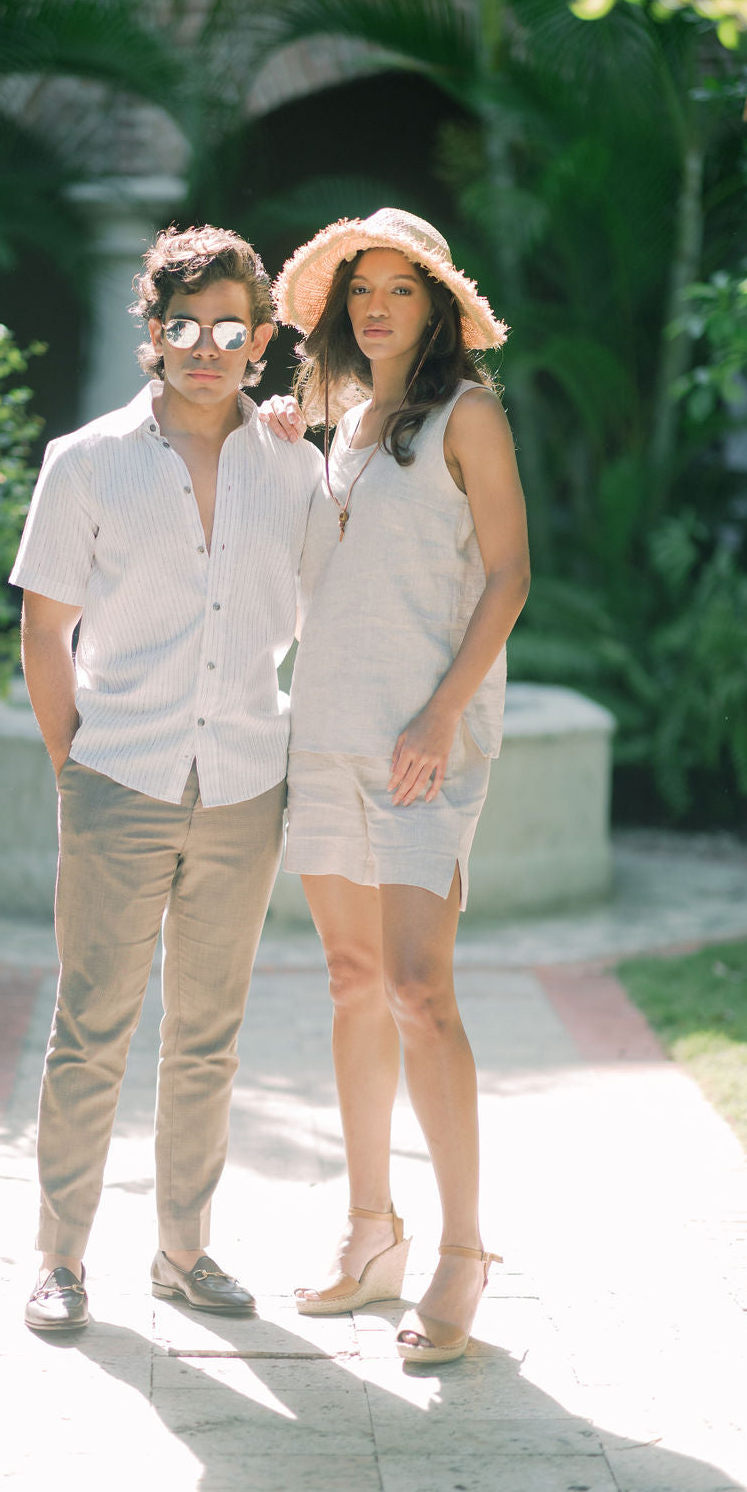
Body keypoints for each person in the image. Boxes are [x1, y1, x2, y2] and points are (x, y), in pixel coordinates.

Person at [11, 224, 321, 1331]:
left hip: (244, 784)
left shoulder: (297, 464)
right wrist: (73, 768)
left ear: (262, 339)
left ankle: (183, 1251)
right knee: (89, 1027)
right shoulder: (85, 461)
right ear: (153, 333)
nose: (205, 348)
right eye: (183, 327)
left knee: (207, 1035)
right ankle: (60, 1258)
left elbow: (341, 606)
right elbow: (45, 630)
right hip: (117, 782)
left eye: (229, 329)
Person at [267, 208, 530, 1363]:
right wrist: (282, 437)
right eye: (359, 290)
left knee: (422, 990)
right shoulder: (341, 428)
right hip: (323, 735)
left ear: (436, 309)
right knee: (350, 977)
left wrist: (440, 710)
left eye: (400, 289)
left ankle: (463, 1252)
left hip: (424, 742)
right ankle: (369, 1235)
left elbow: (511, 574)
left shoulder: (469, 415)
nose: (375, 306)